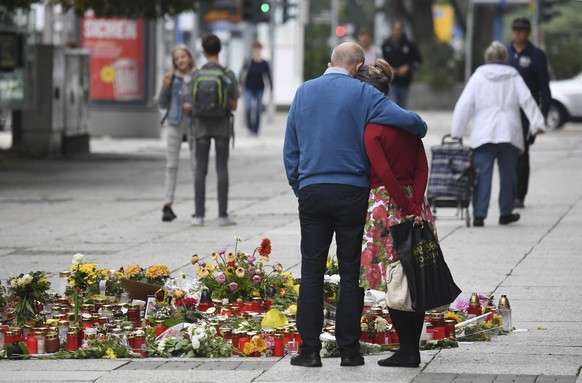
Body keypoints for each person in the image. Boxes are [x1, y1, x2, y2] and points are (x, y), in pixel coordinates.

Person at [283, 42, 427, 368]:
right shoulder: (364, 94)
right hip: (352, 193)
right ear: (358, 65)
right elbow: (414, 124)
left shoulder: (304, 92)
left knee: (311, 271)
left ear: (330, 61)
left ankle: (309, 352)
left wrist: (299, 185)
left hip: (313, 191)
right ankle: (349, 351)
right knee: (350, 274)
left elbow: (290, 148)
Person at [355, 58, 435, 368]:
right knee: (414, 275)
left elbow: (383, 172)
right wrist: (416, 203)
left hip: (384, 207)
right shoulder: (409, 124)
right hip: (416, 204)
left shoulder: (372, 129)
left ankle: (407, 351)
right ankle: (412, 348)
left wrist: (402, 204)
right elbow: (422, 165)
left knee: (394, 279)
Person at [451, 41, 545, 227]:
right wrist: (537, 123)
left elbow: (464, 105)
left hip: (483, 132)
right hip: (509, 131)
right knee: (509, 174)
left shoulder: (478, 77)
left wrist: (458, 131)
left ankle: (479, 214)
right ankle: (506, 212)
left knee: (482, 174)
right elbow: (526, 99)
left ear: (487, 59)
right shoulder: (513, 75)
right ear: (505, 58)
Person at [191, 34, 240, 227]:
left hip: (201, 126)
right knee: (221, 168)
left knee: (200, 169)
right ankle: (222, 215)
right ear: (219, 50)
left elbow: (191, 101)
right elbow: (235, 103)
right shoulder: (227, 74)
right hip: (222, 126)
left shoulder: (197, 73)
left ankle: (199, 216)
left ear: (203, 51)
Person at [507, 17, 552, 208]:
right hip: (507, 111)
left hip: (527, 112)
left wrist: (543, 114)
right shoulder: (505, 53)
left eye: (522, 30)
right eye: (515, 30)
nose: (518, 33)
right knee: (507, 153)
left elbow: (544, 87)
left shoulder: (536, 55)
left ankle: (519, 195)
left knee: (522, 152)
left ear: (528, 33)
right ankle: (507, 192)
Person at [159, 44, 196, 222]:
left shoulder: (197, 76)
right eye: (177, 58)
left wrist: (193, 105)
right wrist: (166, 89)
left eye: (183, 56)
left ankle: (199, 206)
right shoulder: (170, 78)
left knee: (197, 165)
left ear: (189, 57)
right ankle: (167, 205)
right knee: (171, 165)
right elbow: (161, 103)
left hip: (194, 122)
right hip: (174, 122)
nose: (180, 60)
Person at [380, 19, 422, 109]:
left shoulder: (409, 44)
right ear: (392, 29)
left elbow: (417, 61)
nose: (397, 31)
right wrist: (390, 68)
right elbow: (382, 61)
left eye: (399, 29)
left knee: (402, 104)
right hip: (391, 79)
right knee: (393, 102)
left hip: (405, 80)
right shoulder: (386, 44)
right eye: (396, 29)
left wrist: (407, 67)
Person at [240, 42, 272, 136]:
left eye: (259, 48)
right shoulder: (248, 61)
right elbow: (241, 74)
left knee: (258, 109)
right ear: (253, 49)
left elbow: (268, 76)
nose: (257, 50)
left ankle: (256, 130)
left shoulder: (264, 63)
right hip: (248, 87)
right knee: (248, 107)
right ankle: (250, 127)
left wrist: (271, 88)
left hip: (260, 88)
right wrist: (238, 85)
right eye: (256, 48)